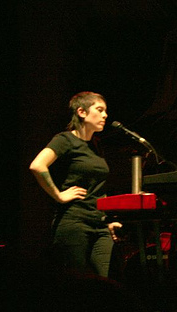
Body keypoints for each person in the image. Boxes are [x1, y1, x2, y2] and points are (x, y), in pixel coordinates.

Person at [30, 91, 121, 277]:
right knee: (76, 283)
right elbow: (37, 165)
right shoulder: (65, 140)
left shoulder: (95, 145)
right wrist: (58, 195)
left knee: (105, 281)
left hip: (100, 223)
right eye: (100, 110)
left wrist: (108, 218)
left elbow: (97, 187)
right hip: (74, 221)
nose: (105, 115)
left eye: (106, 111)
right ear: (82, 112)